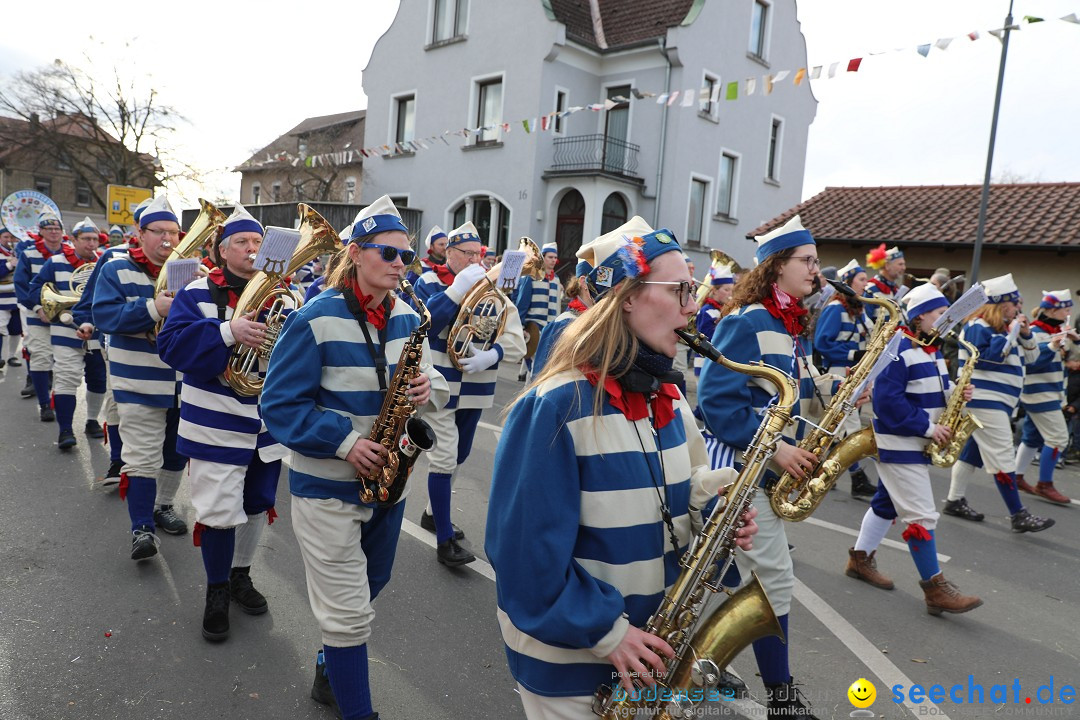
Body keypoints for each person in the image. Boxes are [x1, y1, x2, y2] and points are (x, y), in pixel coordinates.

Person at [486, 226, 758, 719]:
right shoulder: (554, 408)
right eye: (680, 290)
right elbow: (524, 559)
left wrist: (717, 515)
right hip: (572, 668)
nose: (693, 307)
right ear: (628, 297)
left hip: (647, 655)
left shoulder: (670, 400)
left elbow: (685, 492)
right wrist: (610, 633)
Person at [261, 196, 448, 720]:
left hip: (390, 485)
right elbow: (278, 404)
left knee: (370, 587)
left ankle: (330, 660)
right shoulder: (312, 318)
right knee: (347, 614)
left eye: (405, 257)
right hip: (326, 487)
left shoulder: (411, 317)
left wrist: (426, 388)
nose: (399, 265)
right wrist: (345, 442)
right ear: (356, 254)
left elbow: (431, 391)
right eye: (388, 254)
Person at [698, 215, 856, 719]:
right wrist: (775, 451)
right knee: (772, 580)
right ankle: (782, 698)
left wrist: (842, 388)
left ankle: (700, 659)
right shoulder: (746, 320)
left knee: (727, 576)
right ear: (776, 267)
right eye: (806, 261)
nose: (816, 269)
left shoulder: (791, 325)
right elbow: (718, 403)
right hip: (744, 471)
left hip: (769, 469)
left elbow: (799, 395)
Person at [157, 204, 288, 642]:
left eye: (257, 243)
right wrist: (230, 332)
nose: (251, 250)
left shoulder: (284, 295)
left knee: (257, 502)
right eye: (242, 243)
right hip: (213, 421)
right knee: (217, 512)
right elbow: (172, 346)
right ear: (221, 249)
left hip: (266, 422)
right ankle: (216, 590)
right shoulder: (196, 291)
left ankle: (240, 576)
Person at [844, 284, 983, 615]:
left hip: (914, 441)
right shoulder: (899, 348)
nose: (946, 320)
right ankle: (935, 589)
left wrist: (956, 394)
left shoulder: (930, 349)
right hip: (900, 441)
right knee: (921, 514)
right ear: (921, 316)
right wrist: (928, 427)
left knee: (887, 502)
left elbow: (937, 389)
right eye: (939, 314)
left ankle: (859, 560)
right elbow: (888, 401)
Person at [412, 221, 526, 565]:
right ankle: (444, 541)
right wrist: (457, 289)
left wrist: (494, 355)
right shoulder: (429, 280)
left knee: (459, 455)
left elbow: (516, 338)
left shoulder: (493, 288)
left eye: (480, 254)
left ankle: (434, 514)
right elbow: (425, 325)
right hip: (441, 384)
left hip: (476, 386)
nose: (476, 260)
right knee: (445, 457)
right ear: (449, 253)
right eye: (467, 254)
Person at [92, 195, 189, 559]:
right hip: (137, 381)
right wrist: (154, 307)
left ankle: (163, 506)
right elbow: (105, 317)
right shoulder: (116, 268)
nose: (167, 239)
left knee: (177, 453)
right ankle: (141, 529)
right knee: (141, 458)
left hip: (183, 382)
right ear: (139, 232)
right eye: (159, 232)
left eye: (173, 232)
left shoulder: (189, 270)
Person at [943, 274, 1055, 533]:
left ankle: (954, 500)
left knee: (971, 453)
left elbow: (1034, 359)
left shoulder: (1005, 329)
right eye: (1015, 303)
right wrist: (1011, 332)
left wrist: (1025, 334)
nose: (1019, 308)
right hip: (984, 400)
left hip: (1000, 402)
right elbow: (989, 358)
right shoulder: (977, 326)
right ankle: (1018, 514)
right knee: (1004, 456)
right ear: (1002, 304)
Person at [27, 217, 106, 449]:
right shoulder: (55, 262)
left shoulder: (106, 262)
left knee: (98, 379)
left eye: (94, 239)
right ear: (73, 240)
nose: (91, 244)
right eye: (86, 239)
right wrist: (40, 307)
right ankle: (65, 430)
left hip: (97, 331)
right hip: (65, 329)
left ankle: (92, 421)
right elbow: (35, 288)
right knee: (66, 378)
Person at [812, 258, 877, 498]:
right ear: (848, 283)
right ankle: (857, 477)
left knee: (837, 427)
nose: (865, 284)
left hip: (856, 372)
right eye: (861, 280)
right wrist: (853, 353)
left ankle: (818, 469)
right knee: (847, 426)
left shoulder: (860, 308)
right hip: (839, 372)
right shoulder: (835, 308)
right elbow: (822, 342)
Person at [1011, 290, 1077, 504]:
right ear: (1051, 310)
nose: (1068, 313)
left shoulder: (1055, 331)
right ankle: (1044, 484)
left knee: (1032, 437)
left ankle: (1017, 476)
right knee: (1059, 438)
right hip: (1039, 393)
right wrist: (1053, 346)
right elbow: (1032, 363)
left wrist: (1074, 341)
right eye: (1065, 309)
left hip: (1050, 392)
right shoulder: (1035, 332)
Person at [14, 210, 67, 421]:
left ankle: (58, 400)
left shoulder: (70, 252)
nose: (54, 232)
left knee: (63, 362)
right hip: (38, 315)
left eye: (57, 228)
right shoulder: (29, 254)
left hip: (65, 316)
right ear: (41, 231)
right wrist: (37, 308)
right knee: (40, 357)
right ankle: (45, 404)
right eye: (49, 228)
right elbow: (21, 285)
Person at [531, 256, 592, 378]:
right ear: (583, 282)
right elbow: (540, 376)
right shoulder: (563, 323)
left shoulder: (556, 279)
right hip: (536, 324)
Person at [514, 241, 562, 382]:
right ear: (543, 257)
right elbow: (522, 304)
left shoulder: (557, 279)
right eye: (550, 257)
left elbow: (557, 306)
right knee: (535, 371)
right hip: (534, 328)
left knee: (543, 369)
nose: (553, 260)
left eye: (555, 257)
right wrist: (521, 327)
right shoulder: (530, 277)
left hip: (550, 329)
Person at [0, 225, 24, 368]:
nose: (9, 240)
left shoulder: (19, 252)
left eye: (12, 237)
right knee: (0, 328)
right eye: (6, 237)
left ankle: (12, 356)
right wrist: (9, 265)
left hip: (16, 296)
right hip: (1, 297)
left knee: (16, 329)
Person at [863, 244, 906, 321]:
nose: (904, 268)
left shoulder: (895, 289)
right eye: (900, 264)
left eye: (904, 264)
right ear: (887, 266)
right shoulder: (870, 289)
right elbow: (866, 320)